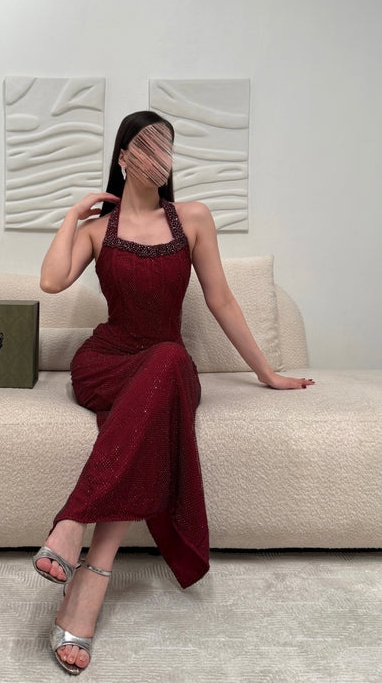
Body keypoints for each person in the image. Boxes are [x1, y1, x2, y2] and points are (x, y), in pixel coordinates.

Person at [35, 110, 315, 675]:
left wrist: (268, 373)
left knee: (165, 361)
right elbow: (51, 281)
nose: (157, 157)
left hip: (166, 364)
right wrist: (70, 216)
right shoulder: (97, 231)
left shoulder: (193, 218)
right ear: (123, 158)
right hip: (105, 363)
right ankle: (88, 574)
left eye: (165, 147)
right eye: (144, 147)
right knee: (151, 402)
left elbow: (221, 300)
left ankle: (75, 533)